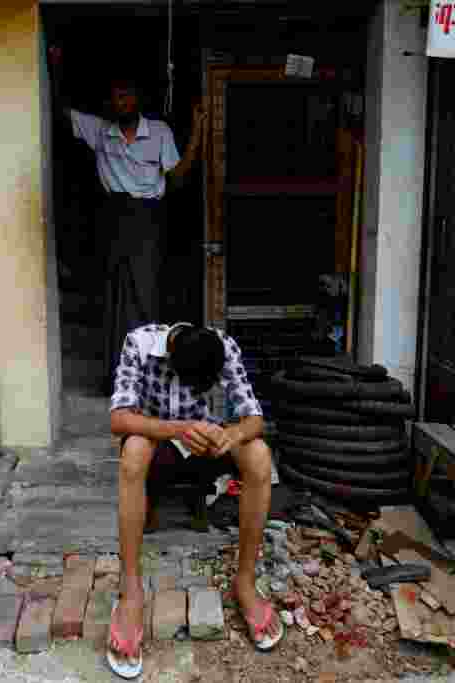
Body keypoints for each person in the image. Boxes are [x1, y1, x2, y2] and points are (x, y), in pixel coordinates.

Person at [106, 322, 282, 678]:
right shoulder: (139, 344)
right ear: (171, 360)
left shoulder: (222, 346)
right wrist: (179, 429)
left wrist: (232, 433)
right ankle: (131, 591)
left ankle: (245, 583)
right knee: (133, 451)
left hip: (211, 441)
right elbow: (119, 419)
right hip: (162, 440)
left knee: (259, 455)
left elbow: (255, 418)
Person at [50, 56, 208, 393]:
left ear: (138, 100)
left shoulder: (159, 132)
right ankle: (117, 378)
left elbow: (178, 177)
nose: (122, 102)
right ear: (110, 103)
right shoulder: (100, 131)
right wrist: (54, 67)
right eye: (117, 97)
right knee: (114, 297)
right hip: (112, 218)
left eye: (127, 95)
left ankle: (147, 378)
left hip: (148, 220)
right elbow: (60, 111)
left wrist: (197, 131)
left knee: (146, 296)